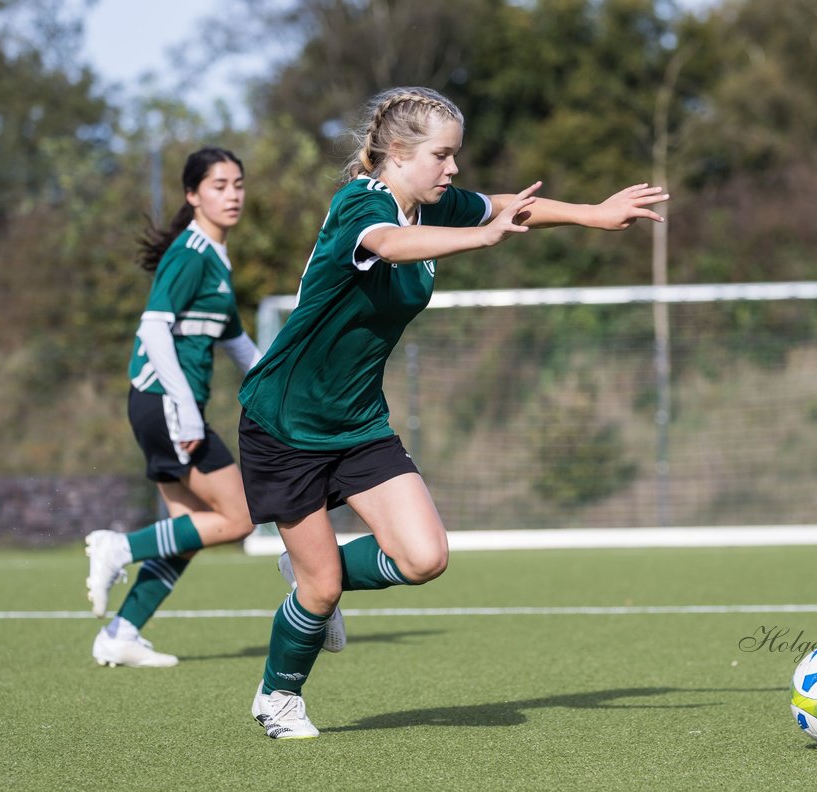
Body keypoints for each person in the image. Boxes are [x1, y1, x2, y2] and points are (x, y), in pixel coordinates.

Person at [238, 86, 668, 738]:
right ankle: (278, 695)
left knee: (424, 558)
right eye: (442, 155)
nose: (454, 169)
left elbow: (503, 204)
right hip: (285, 425)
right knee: (320, 590)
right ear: (399, 153)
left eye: (455, 156)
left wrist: (591, 213)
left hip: (357, 423)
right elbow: (384, 244)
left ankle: (307, 571)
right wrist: (480, 239)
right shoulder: (363, 203)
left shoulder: (433, 205)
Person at [84, 146, 261, 668]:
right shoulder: (190, 252)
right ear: (192, 195)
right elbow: (153, 329)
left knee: (187, 530)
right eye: (218, 186)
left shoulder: (217, 260)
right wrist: (184, 409)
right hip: (165, 402)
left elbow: (239, 346)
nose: (232, 195)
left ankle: (121, 633)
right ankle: (119, 547)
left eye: (238, 184)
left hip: (159, 406)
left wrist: (286, 381)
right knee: (240, 516)